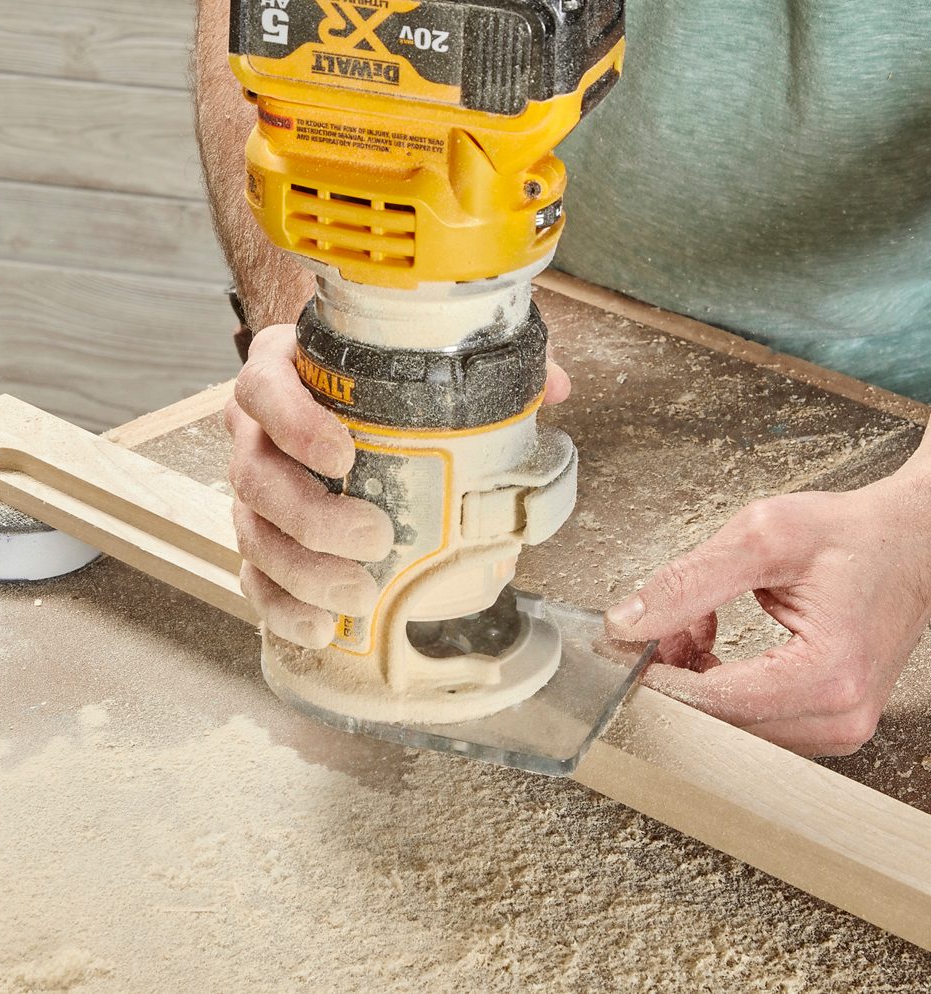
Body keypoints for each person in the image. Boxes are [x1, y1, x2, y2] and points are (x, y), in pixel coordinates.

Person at [193, 0, 931, 757]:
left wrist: (918, 528)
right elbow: (278, 35)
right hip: (557, 293)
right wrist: (324, 325)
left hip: (892, 382)